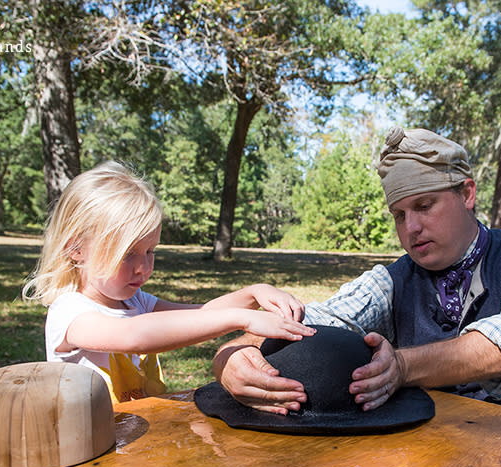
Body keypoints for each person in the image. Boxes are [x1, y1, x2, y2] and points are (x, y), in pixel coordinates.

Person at [213, 126, 501, 421]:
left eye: (424, 206)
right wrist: (231, 356)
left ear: (467, 194)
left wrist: (403, 366)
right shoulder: (390, 281)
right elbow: (313, 321)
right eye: (399, 215)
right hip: (444, 458)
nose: (412, 228)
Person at [23, 161, 314, 404]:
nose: (144, 268)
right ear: (77, 251)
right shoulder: (70, 312)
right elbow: (132, 336)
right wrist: (240, 318)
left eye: (150, 251)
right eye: (128, 255)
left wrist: (254, 293)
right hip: (90, 450)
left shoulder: (134, 302)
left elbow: (201, 316)